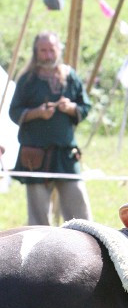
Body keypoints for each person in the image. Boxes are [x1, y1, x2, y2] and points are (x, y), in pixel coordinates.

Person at [9, 31, 92, 225]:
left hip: (65, 154)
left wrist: (71, 108)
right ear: (36, 52)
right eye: (43, 51)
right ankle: (39, 254)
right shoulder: (27, 79)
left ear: (58, 50)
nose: (47, 55)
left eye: (51, 50)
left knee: (81, 216)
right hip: (35, 156)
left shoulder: (70, 76)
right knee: (38, 222)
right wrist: (37, 112)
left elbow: (85, 106)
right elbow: (14, 112)